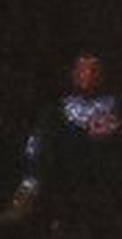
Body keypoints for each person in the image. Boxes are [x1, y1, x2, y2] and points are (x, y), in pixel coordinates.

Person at [12, 50, 122, 238]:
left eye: (94, 69)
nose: (88, 74)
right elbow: (37, 148)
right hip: (65, 194)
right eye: (82, 69)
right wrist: (30, 185)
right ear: (73, 73)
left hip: (109, 195)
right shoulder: (55, 111)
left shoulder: (117, 107)